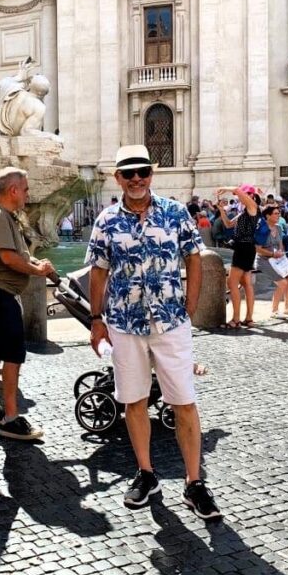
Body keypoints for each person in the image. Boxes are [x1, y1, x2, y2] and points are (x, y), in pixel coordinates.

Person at [87, 145, 220, 520]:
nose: (136, 179)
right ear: (117, 178)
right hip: (124, 323)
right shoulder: (106, 220)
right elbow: (98, 270)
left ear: (151, 174)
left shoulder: (176, 213)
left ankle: (195, 483)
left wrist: (190, 305)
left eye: (142, 172)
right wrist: (96, 320)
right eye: (128, 173)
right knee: (134, 401)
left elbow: (194, 256)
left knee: (184, 401)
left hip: (170, 322)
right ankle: (146, 473)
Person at [0, 167, 56, 441]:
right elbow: (8, 258)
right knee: (11, 355)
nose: (27, 193)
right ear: (13, 191)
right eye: (25, 188)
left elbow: (17, 254)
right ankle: (10, 417)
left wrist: (35, 263)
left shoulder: (2, 215)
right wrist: (37, 271)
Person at [216, 185, 260, 329]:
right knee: (247, 284)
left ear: (252, 196)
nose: (242, 196)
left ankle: (236, 319)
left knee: (232, 283)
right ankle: (249, 318)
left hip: (244, 247)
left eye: (247, 194)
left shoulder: (253, 207)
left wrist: (227, 188)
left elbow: (237, 190)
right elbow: (228, 224)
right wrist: (221, 210)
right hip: (245, 247)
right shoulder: (243, 212)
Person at [255, 206, 288, 318]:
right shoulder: (262, 229)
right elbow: (258, 249)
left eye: (279, 213)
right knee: (283, 282)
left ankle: (287, 307)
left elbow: (280, 244)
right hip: (263, 259)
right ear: (268, 216)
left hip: (278, 259)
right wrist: (273, 254)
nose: (278, 215)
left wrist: (281, 253)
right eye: (275, 213)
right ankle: (274, 310)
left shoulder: (278, 228)